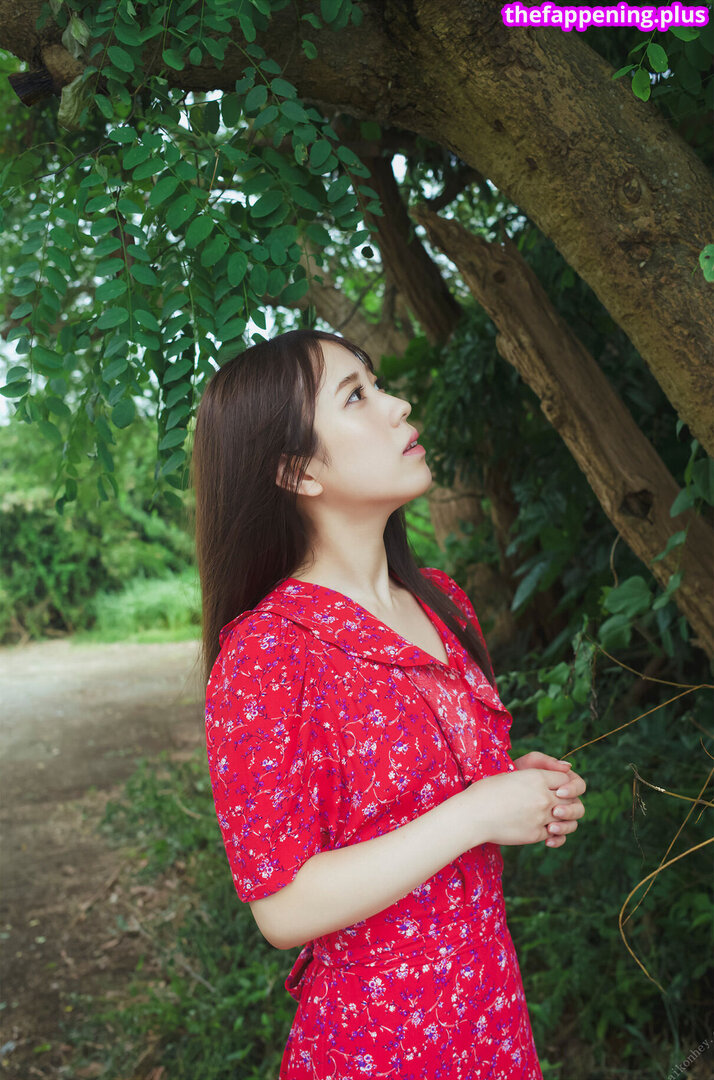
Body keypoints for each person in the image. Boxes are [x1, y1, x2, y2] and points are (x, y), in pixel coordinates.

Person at [192, 328, 587, 1079]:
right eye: (356, 396)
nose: (398, 404)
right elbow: (284, 908)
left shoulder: (442, 601)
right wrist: (475, 813)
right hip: (380, 1042)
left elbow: (421, 806)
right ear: (298, 470)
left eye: (378, 384)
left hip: (492, 1015)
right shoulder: (269, 654)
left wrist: (515, 790)